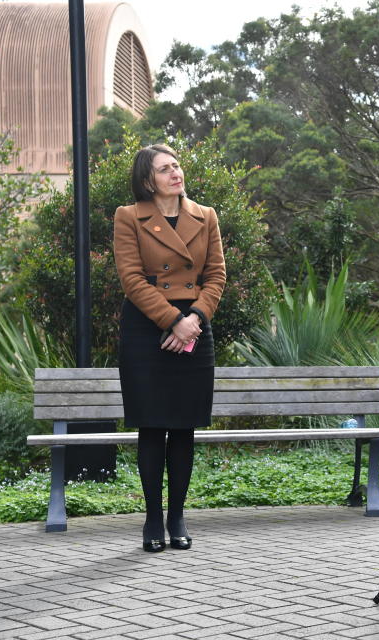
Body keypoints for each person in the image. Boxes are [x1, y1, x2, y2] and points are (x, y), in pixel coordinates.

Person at [113, 144, 226, 552]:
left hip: (195, 326)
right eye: (164, 169)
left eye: (176, 166)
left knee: (183, 426)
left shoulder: (206, 216)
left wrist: (193, 319)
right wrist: (173, 321)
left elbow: (216, 276)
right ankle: (151, 518)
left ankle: (177, 515)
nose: (175, 174)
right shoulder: (129, 217)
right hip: (148, 329)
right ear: (148, 180)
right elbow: (131, 279)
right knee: (152, 424)